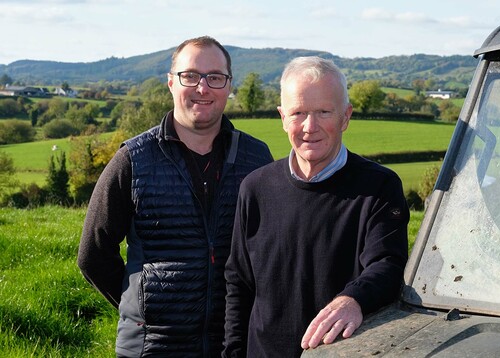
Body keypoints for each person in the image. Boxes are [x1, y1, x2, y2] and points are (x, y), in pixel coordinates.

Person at [77, 36, 273, 357]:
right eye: (190, 75)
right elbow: (93, 254)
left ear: (228, 85)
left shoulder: (256, 157)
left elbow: (272, 249)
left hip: (235, 344)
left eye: (215, 77)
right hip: (152, 347)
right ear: (171, 83)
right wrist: (140, 311)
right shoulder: (133, 158)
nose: (202, 87)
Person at [222, 56, 409, 357]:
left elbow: (388, 264)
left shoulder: (379, 188)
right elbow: (238, 283)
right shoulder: (255, 188)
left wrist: (353, 300)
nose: (310, 126)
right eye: (298, 113)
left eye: (324, 112)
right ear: (283, 117)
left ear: (345, 117)